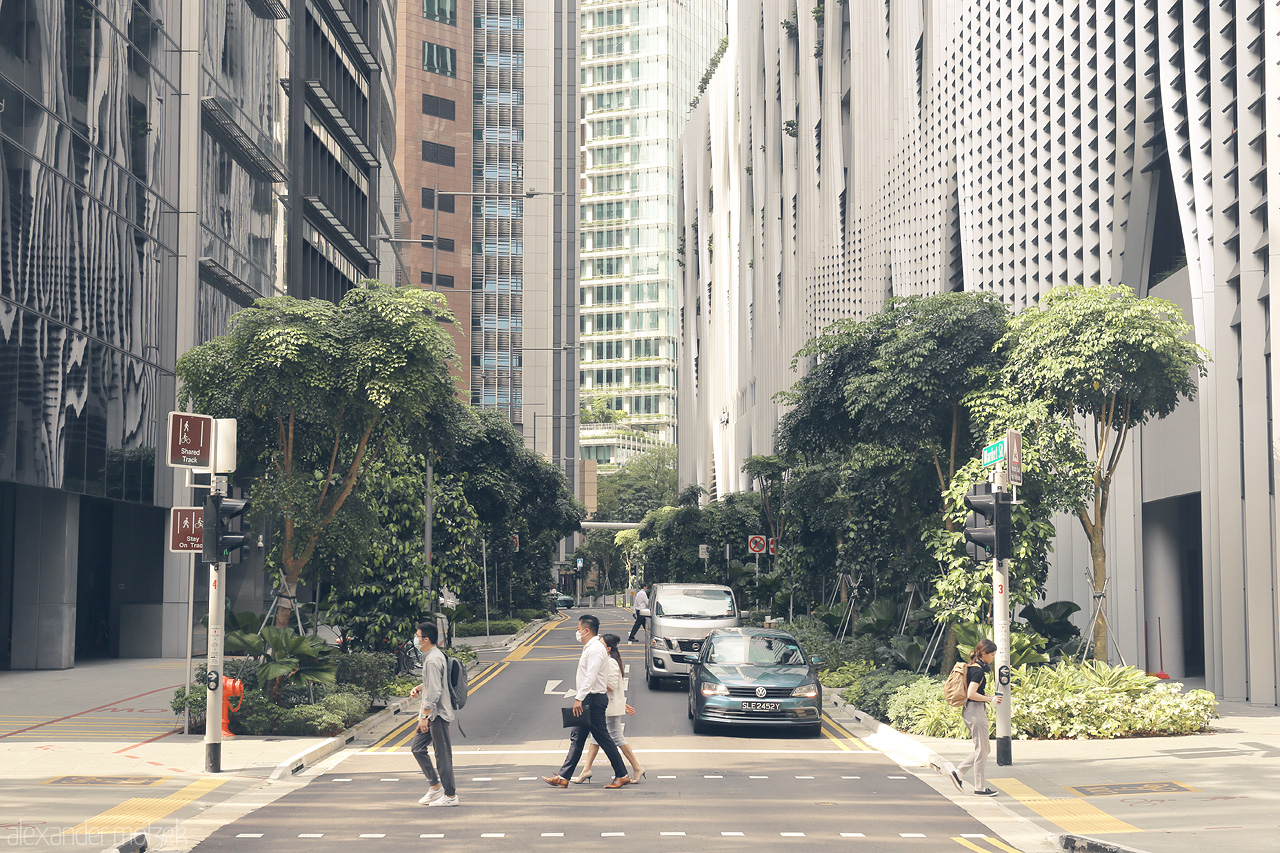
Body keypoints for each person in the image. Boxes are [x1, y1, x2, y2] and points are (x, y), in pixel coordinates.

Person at [543, 615, 632, 789]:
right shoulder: (591, 648)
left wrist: (579, 698)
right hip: (589, 699)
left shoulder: (595, 649)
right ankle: (563, 776)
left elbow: (591, 676)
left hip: (593, 700)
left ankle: (622, 774)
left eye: (578, 629)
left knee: (603, 738)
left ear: (586, 630)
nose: (577, 633)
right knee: (577, 738)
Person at [572, 634, 644, 784]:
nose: (598, 645)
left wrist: (593, 681)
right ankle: (586, 770)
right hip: (609, 705)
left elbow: (611, 685)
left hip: (609, 707)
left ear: (608, 648)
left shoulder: (610, 662)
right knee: (596, 738)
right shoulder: (607, 661)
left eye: (601, 643)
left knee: (616, 737)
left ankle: (637, 767)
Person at [409, 621, 458, 807]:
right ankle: (435, 786)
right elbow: (433, 684)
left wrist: (424, 716)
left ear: (426, 639)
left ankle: (451, 796)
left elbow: (436, 691)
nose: (415, 639)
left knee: (442, 755)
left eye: (417, 636)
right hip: (432, 713)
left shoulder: (433, 659)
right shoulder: (433, 656)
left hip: (437, 715)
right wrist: (419, 688)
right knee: (417, 748)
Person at [949, 638, 1001, 797]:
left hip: (971, 710)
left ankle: (959, 773)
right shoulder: (978, 671)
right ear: (984, 654)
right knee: (981, 750)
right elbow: (972, 694)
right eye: (992, 655)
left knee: (984, 749)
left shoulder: (971, 667)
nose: (993, 658)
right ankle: (978, 787)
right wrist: (989, 699)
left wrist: (989, 697)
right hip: (975, 712)